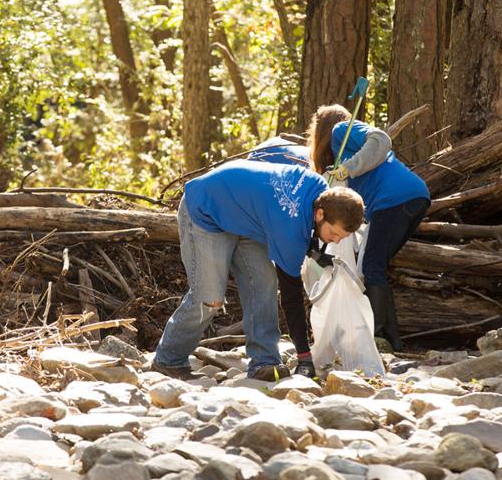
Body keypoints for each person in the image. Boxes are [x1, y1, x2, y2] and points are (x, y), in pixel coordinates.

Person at [151, 159, 365, 381]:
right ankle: (168, 359)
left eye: (342, 237)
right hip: (206, 209)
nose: (337, 241)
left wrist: (317, 253)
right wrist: (303, 356)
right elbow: (291, 296)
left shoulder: (321, 191)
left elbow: (303, 228)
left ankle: (264, 361)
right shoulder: (289, 226)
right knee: (209, 299)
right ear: (320, 214)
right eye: (335, 234)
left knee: (263, 284)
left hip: (246, 218)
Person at [308, 105, 431, 352]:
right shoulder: (338, 154)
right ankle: (392, 339)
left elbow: (381, 139)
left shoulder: (341, 130)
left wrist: (349, 168)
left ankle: (374, 337)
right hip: (411, 199)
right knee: (376, 266)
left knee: (372, 266)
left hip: (395, 198)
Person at [243, 136, 319, 377]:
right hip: (257, 204)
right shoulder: (294, 196)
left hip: (275, 199)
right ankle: (282, 356)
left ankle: (295, 354)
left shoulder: (316, 180)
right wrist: (304, 357)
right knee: (272, 281)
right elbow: (291, 289)